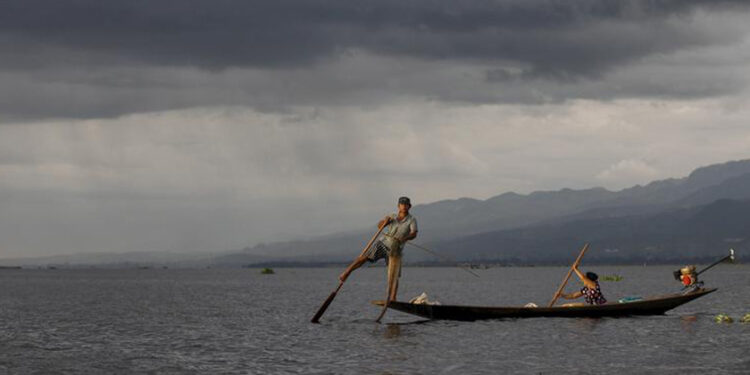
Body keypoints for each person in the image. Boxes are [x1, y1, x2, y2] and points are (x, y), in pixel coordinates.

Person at [339, 196, 418, 301]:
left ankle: (393, 298)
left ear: (409, 206)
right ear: (398, 206)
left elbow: (413, 234)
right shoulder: (392, 216)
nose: (404, 206)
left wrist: (404, 238)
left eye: (406, 205)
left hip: (396, 249)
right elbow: (379, 225)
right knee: (365, 257)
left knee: (394, 274)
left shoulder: (411, 220)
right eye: (402, 204)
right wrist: (385, 222)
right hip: (384, 243)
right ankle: (347, 272)